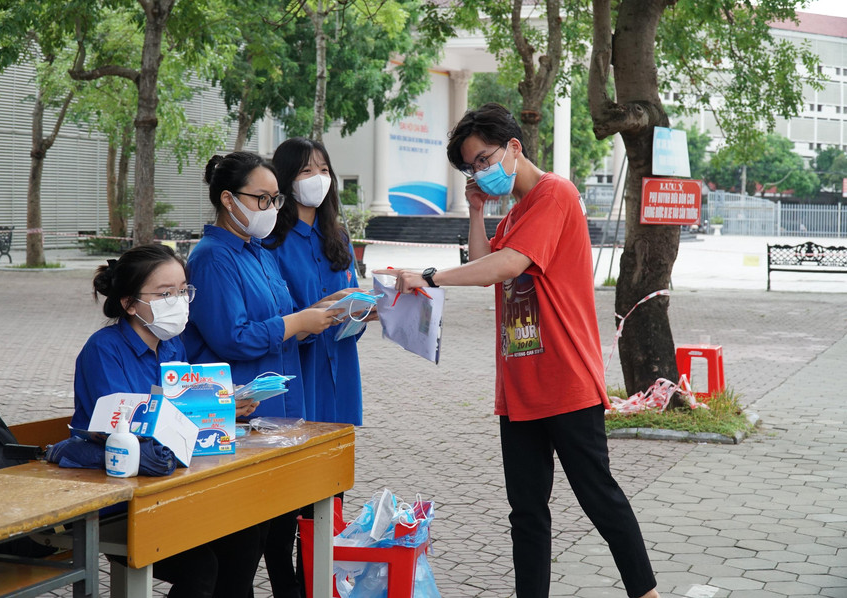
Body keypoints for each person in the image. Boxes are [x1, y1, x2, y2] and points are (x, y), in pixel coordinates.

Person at [378, 103, 661, 598]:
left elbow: (508, 266)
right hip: (520, 388)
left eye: (485, 160)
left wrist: (428, 276)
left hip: (566, 381)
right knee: (527, 513)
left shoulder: (555, 193)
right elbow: (486, 260)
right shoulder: (517, 211)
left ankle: (648, 595)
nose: (481, 173)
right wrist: (476, 211)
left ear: (514, 147)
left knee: (601, 500)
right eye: (471, 168)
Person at [183, 151, 344, 597]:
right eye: (263, 199)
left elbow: (286, 320)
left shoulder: (259, 252)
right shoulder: (213, 257)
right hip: (241, 415)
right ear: (228, 199)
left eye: (276, 200)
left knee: (274, 532)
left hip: (279, 415)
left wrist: (328, 312)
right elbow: (230, 337)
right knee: (241, 548)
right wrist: (296, 323)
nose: (272, 210)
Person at [73, 243, 258, 598]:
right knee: (202, 566)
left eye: (183, 291)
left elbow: (184, 412)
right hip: (120, 498)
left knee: (245, 536)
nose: (178, 301)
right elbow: (123, 428)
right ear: (129, 303)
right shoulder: (104, 349)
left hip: (169, 486)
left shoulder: (173, 346)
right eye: (164, 293)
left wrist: (223, 408)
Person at [261, 137, 367, 597]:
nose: (317, 179)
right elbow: (275, 315)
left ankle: (315, 585)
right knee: (284, 504)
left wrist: (360, 310)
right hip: (296, 378)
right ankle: (287, 585)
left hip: (338, 375)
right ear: (285, 180)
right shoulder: (271, 242)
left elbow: (355, 299)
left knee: (329, 498)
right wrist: (310, 318)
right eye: (305, 171)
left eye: (323, 168)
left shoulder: (337, 235)